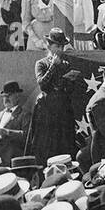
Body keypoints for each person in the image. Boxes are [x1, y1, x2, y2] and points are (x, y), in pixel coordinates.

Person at [27, 29, 78, 163]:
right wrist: (53, 67)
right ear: (49, 46)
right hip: (47, 110)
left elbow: (70, 90)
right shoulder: (41, 63)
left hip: (63, 109)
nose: (60, 50)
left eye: (62, 46)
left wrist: (69, 79)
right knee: (46, 144)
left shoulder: (66, 65)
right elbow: (42, 84)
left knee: (65, 143)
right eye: (57, 46)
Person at [0, 81, 28, 166]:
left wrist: (8, 132)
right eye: (4, 96)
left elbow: (27, 136)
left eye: (9, 95)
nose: (6, 99)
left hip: (13, 159)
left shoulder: (24, 114)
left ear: (17, 96)